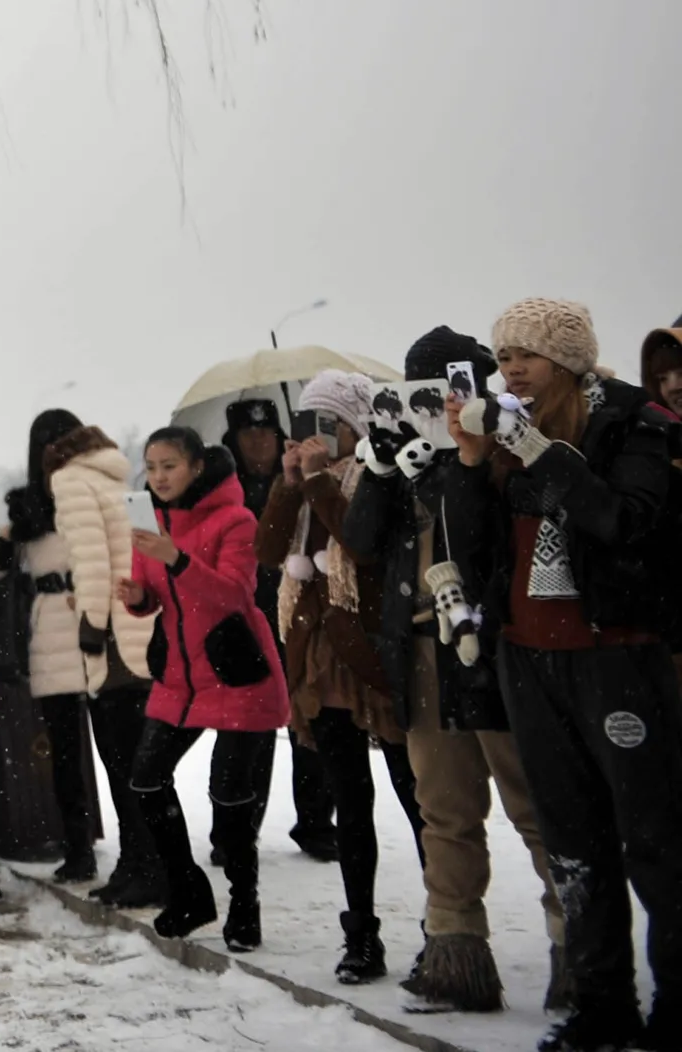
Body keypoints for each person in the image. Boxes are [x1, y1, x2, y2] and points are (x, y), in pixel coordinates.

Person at [441, 299, 682, 1052]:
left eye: (528, 356)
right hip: (529, 659)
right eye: (503, 356)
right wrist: (474, 465)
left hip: (616, 656)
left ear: (570, 364)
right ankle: (601, 1004)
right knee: (573, 841)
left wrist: (541, 451)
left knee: (656, 841)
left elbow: (626, 521)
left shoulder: (630, 423)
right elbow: (477, 552)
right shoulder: (505, 437)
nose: (510, 370)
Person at [339, 325, 568, 1017]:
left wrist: (457, 462)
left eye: (445, 388)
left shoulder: (506, 440)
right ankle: (455, 955)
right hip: (420, 649)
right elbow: (358, 544)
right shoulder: (397, 455)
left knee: (538, 808)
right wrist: (380, 474)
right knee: (443, 812)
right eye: (419, 391)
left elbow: (488, 534)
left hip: (495, 646)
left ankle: (581, 950)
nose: (432, 405)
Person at [258, 374, 424, 986]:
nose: (317, 436)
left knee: (418, 800)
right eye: (308, 424)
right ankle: (361, 935)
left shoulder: (383, 473)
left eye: (329, 422)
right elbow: (271, 550)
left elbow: (363, 544)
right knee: (351, 806)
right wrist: (289, 484)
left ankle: (447, 929)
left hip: (373, 658)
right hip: (318, 659)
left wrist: (324, 479)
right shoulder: (311, 482)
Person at [122, 424, 289, 949]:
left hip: (237, 671)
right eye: (150, 467)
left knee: (229, 798)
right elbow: (154, 594)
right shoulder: (148, 519)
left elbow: (235, 595)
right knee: (146, 781)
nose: (159, 477)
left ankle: (245, 905)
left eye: (169, 466)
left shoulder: (235, 519)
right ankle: (189, 891)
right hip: (180, 674)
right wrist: (136, 596)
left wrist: (176, 558)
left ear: (197, 467)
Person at [0, 409, 152, 891]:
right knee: (64, 751)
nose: (55, 452)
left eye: (61, 441)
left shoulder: (102, 490)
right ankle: (78, 849)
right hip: (53, 627)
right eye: (47, 445)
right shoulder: (29, 507)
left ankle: (137, 853)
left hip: (100, 619)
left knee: (117, 748)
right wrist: (9, 534)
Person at [228, 392, 339, 863]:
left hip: (300, 613)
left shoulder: (301, 476)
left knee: (308, 719)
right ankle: (240, 826)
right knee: (250, 728)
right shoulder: (226, 487)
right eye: (248, 434)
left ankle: (315, 822)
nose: (259, 441)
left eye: (267, 432)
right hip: (247, 618)